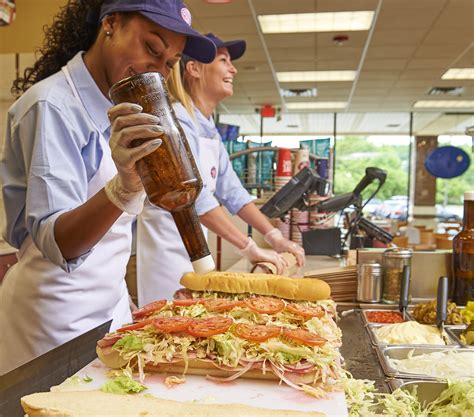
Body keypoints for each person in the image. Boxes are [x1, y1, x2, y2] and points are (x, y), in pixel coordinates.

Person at [0, 0, 217, 375]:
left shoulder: (125, 109)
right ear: (111, 24)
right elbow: (58, 243)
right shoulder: (52, 106)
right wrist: (124, 187)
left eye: (169, 63)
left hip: (110, 305)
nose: (157, 69)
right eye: (151, 48)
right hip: (53, 318)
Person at [136, 33, 305, 305]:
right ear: (194, 69)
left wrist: (274, 238)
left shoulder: (208, 127)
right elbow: (197, 199)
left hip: (195, 248)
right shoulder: (178, 121)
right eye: (224, 60)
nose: (233, 69)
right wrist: (249, 247)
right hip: (167, 249)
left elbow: (233, 192)